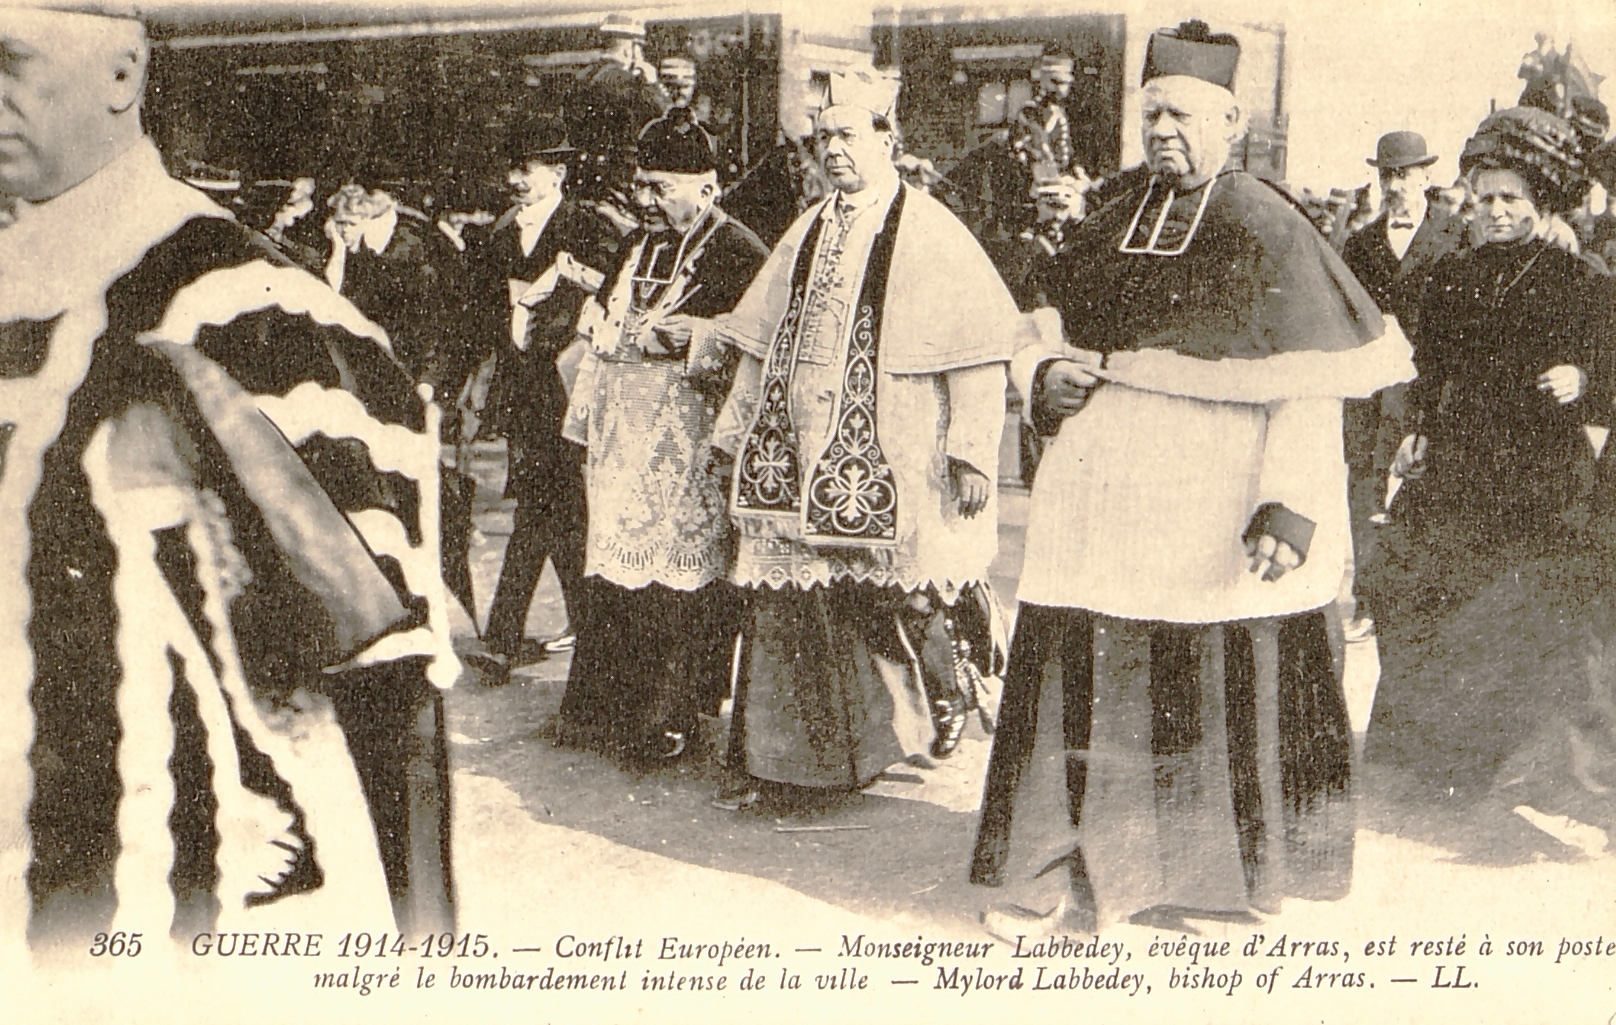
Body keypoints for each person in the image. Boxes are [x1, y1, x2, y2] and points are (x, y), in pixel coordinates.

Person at [0, 2, 454, 947]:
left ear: (122, 75)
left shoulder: (250, 308)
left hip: (167, 899)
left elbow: (384, 693)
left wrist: (422, 954)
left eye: (11, 59)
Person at [971, 20, 1414, 934]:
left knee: (1209, 686)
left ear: (1233, 118)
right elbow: (1039, 325)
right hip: (1095, 507)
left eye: (1182, 113)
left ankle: (1211, 885)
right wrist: (1041, 377)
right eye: (1152, 112)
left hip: (1212, 503)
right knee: (1079, 679)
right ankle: (1061, 873)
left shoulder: (1269, 223)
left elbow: (1309, 380)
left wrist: (1288, 508)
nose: (1162, 129)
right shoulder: (1108, 214)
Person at [699, 69, 1023, 809]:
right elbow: (761, 340)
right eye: (823, 139)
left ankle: (948, 693)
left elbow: (976, 351)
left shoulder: (933, 229)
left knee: (907, 595)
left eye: (848, 135)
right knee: (798, 604)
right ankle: (796, 765)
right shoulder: (807, 225)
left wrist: (972, 450)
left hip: (902, 442)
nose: (833, 151)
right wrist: (733, 433)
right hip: (802, 452)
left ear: (888, 139)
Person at [1362, 105, 1615, 798]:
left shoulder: (1583, 281)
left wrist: (1585, 379)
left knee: (1522, 610)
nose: (1497, 211)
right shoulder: (1449, 277)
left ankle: (1523, 761)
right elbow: (1428, 369)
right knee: (1422, 589)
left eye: (1513, 199)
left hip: (1540, 471)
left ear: (1541, 202)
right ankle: (1440, 755)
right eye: (1487, 197)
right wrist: (1415, 431)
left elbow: (1609, 368)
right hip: (1460, 461)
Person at [556, 115, 768, 760]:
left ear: (704, 188)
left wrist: (700, 338)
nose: (644, 201)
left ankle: (671, 712)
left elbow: (760, 341)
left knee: (679, 577)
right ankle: (605, 705)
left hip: (690, 435)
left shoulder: (740, 250)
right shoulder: (636, 243)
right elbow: (605, 317)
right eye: (640, 185)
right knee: (618, 567)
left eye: (659, 187)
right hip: (623, 432)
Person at [468, 118, 614, 679]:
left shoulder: (585, 223)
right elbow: (482, 311)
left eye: (525, 169)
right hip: (525, 390)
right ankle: (583, 629)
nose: (515, 180)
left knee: (548, 508)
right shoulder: (503, 231)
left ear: (556, 172)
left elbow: (611, 288)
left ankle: (506, 636)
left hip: (571, 385)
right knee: (551, 508)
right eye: (511, 169)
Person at [1338, 131, 1465, 637]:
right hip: (1372, 388)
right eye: (1387, 174)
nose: (1395, 184)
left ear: (1426, 177)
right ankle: (1369, 600)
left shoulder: (1457, 237)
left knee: (1427, 481)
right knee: (1367, 487)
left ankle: (1423, 600)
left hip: (1432, 383)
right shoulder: (1361, 243)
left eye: (1405, 173)